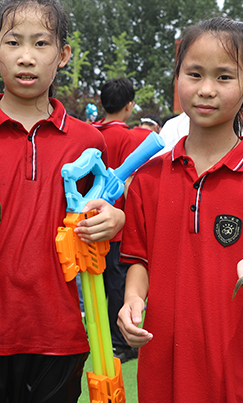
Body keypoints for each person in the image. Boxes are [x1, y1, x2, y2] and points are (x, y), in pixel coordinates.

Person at [0, 0, 124, 402]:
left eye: (41, 43)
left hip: (61, 333)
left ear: (63, 54)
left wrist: (115, 221)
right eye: (14, 42)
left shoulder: (88, 140)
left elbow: (100, 228)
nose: (27, 56)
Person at [117, 17, 243, 403]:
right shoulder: (149, 178)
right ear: (177, 77)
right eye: (194, 73)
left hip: (241, 372)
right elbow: (138, 258)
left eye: (224, 77)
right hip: (165, 368)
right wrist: (133, 300)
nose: (206, 90)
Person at [91, 77, 142, 363]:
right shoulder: (131, 138)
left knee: (92, 284)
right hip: (117, 228)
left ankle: (98, 338)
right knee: (117, 286)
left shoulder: (89, 132)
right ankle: (120, 342)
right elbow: (133, 185)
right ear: (129, 105)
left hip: (86, 222)